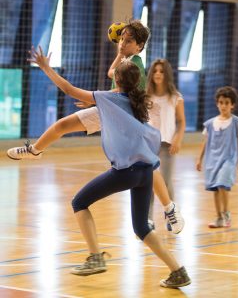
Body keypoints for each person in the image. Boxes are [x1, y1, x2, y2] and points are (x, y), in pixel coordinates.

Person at [28, 46, 191, 288]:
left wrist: (46, 67)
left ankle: (95, 258)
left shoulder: (107, 98)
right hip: (146, 171)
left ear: (116, 79)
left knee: (79, 203)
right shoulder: (139, 102)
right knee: (141, 227)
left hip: (126, 172)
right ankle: (178, 271)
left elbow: (68, 89)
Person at [7, 20, 184, 234]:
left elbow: (114, 80)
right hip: (110, 110)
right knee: (63, 125)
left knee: (148, 166)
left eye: (128, 41)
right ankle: (34, 150)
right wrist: (98, 98)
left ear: (139, 47)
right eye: (120, 40)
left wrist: (95, 97)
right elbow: (113, 75)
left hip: (127, 118)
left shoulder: (135, 63)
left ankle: (169, 207)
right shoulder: (128, 58)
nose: (121, 44)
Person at [196, 86, 238, 228]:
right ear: (217, 103)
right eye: (221, 102)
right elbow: (205, 142)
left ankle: (226, 213)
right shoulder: (210, 123)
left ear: (232, 105)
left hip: (228, 160)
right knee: (215, 189)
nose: (224, 106)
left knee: (223, 184)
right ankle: (219, 217)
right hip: (212, 160)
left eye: (227, 103)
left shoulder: (237, 122)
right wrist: (199, 159)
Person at [146, 59, 186, 231]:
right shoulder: (146, 96)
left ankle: (171, 217)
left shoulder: (175, 97)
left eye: (161, 71)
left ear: (167, 74)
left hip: (167, 144)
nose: (157, 74)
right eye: (155, 71)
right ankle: (147, 219)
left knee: (166, 182)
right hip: (148, 144)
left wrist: (178, 138)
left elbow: (181, 122)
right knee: (148, 182)